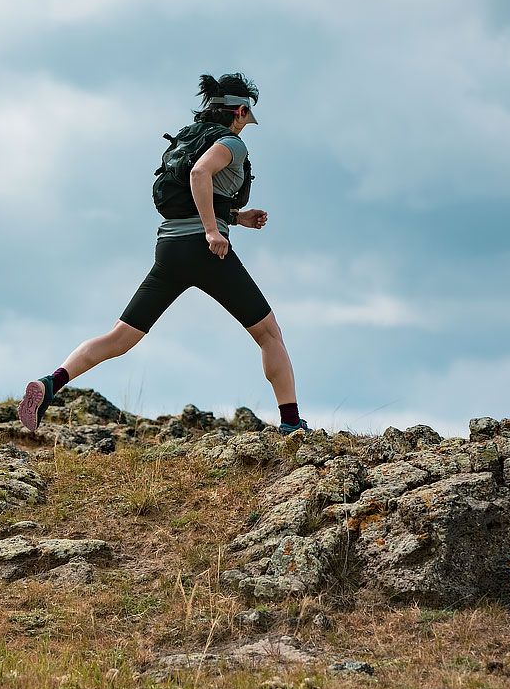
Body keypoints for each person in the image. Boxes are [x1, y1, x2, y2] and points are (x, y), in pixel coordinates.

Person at [18, 72, 310, 436]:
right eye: (246, 120)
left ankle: (49, 384)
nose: (246, 127)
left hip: (170, 249)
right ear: (239, 112)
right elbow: (201, 175)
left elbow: (193, 193)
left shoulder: (189, 138)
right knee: (269, 334)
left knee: (120, 338)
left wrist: (235, 217)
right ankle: (291, 423)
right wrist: (212, 230)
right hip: (205, 251)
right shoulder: (232, 145)